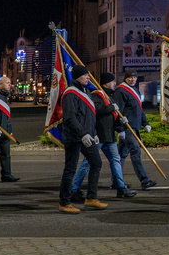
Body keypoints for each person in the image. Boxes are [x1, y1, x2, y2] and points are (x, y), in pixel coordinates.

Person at [70, 73, 137, 201]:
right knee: (88, 163)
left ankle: (121, 188)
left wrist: (120, 122)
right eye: (112, 81)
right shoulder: (96, 95)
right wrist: (111, 107)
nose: (115, 83)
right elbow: (96, 109)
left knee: (115, 161)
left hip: (109, 135)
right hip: (98, 135)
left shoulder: (110, 96)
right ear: (106, 83)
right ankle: (74, 189)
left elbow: (112, 115)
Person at [59, 65, 107, 214]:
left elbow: (89, 116)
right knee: (70, 169)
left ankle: (91, 198)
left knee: (96, 163)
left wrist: (93, 133)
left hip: (87, 135)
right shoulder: (70, 93)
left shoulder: (85, 91)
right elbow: (70, 118)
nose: (88, 77)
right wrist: (82, 133)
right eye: (86, 75)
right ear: (78, 76)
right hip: (74, 137)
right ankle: (64, 202)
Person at [115, 69, 157, 190]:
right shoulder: (121, 91)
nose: (132, 79)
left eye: (134, 78)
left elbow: (139, 109)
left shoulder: (135, 90)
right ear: (125, 78)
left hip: (135, 127)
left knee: (121, 155)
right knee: (135, 152)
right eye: (130, 78)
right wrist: (120, 129)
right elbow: (117, 112)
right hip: (128, 128)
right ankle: (144, 180)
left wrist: (145, 123)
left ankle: (116, 181)